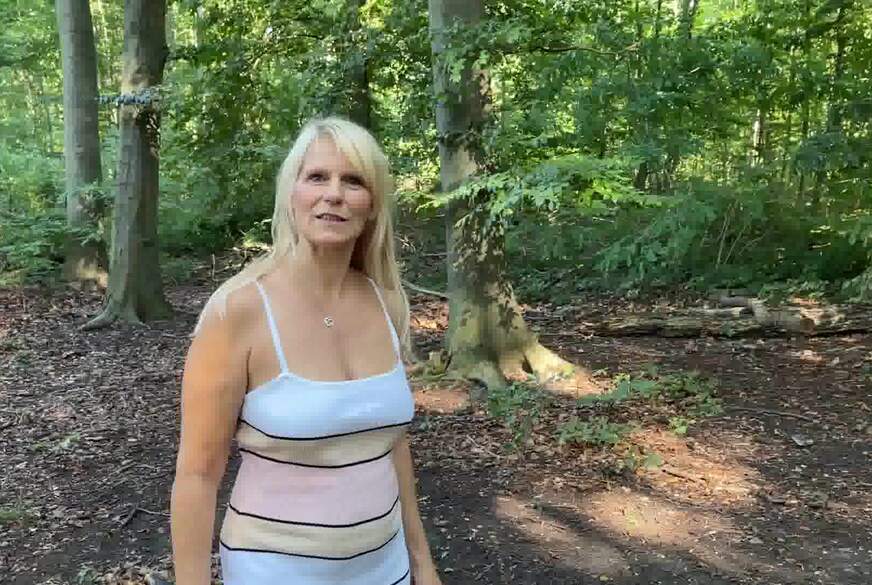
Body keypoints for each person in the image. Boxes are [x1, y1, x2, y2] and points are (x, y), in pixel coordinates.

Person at [170, 117, 442, 585]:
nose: (333, 194)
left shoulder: (385, 301)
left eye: (353, 181)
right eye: (317, 177)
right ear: (291, 194)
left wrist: (423, 565)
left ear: (372, 205)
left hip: (386, 567)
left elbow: (390, 444)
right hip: (274, 569)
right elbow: (197, 475)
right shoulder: (237, 311)